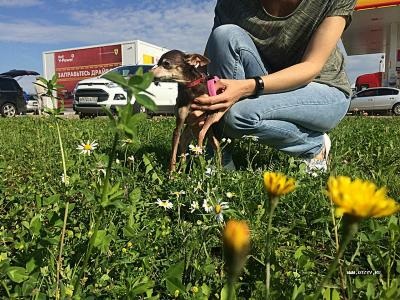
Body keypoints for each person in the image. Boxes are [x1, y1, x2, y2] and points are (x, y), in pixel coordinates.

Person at [191, 0, 356, 172]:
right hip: (266, 78)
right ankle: (218, 156)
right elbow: (210, 59)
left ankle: (313, 145)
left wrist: (245, 87)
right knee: (224, 35)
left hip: (323, 87)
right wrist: (196, 97)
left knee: (237, 116)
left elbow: (312, 66)